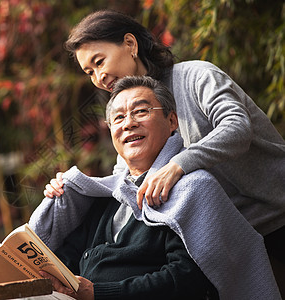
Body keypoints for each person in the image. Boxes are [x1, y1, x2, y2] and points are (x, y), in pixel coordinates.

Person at [43, 9, 285, 289]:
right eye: (90, 72)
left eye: (99, 62)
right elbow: (126, 183)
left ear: (130, 45)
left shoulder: (196, 76)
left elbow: (236, 127)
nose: (99, 77)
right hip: (232, 239)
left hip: (278, 210)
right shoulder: (130, 118)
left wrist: (178, 165)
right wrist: (70, 187)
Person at [28, 76, 280, 299]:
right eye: (118, 117)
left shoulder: (193, 189)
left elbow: (187, 280)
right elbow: (68, 257)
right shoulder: (107, 195)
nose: (128, 123)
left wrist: (97, 293)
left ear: (172, 121)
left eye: (140, 112)